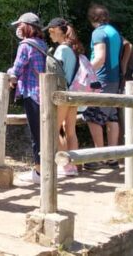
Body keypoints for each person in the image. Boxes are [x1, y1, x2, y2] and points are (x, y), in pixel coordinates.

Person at [7, 12, 46, 183]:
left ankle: (39, 172)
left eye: (19, 25)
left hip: (32, 93)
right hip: (45, 93)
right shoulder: (43, 44)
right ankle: (44, 169)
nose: (17, 28)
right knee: (44, 133)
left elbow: (16, 70)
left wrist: (8, 74)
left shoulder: (25, 46)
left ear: (26, 27)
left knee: (36, 134)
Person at [82, 4, 122, 170]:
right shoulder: (114, 32)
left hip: (102, 80)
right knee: (112, 117)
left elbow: (99, 58)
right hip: (115, 79)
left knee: (92, 116)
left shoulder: (98, 32)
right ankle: (112, 158)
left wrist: (84, 72)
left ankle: (99, 157)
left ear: (93, 19)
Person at [44, 17, 83, 177]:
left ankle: (66, 166)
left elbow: (56, 75)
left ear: (58, 30)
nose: (50, 35)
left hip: (62, 94)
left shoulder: (61, 50)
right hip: (74, 93)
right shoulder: (73, 48)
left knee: (53, 128)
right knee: (70, 131)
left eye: (51, 31)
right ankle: (74, 165)